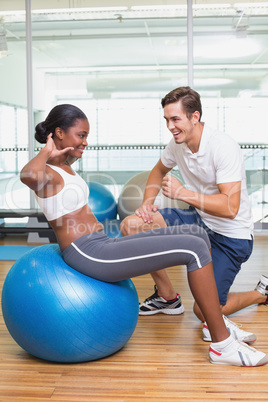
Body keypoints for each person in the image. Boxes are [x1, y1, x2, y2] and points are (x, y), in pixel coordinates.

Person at [20, 103, 268, 367]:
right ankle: (222, 344)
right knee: (193, 248)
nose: (85, 142)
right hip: (88, 253)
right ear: (59, 133)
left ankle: (210, 319)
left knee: (197, 235)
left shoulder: (63, 166)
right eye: (81, 135)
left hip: (100, 244)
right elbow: (27, 175)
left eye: (86, 136)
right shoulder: (45, 170)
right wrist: (46, 150)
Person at [120, 86, 268, 344]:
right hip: (198, 221)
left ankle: (261, 294)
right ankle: (168, 297)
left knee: (204, 312)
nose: (170, 126)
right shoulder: (177, 144)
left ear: (194, 117)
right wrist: (146, 204)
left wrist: (184, 193)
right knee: (132, 226)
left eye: (175, 119)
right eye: (166, 119)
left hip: (231, 236)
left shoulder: (223, 147)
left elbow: (230, 208)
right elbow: (157, 171)